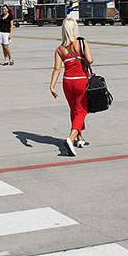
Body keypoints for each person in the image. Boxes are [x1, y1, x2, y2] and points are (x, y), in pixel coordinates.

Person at [48, 17, 93, 156]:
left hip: (67, 82)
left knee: (74, 110)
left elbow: (57, 69)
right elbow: (90, 60)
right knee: (82, 111)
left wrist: (52, 86)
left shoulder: (60, 49)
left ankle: (80, 138)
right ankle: (71, 138)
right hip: (81, 81)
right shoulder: (81, 42)